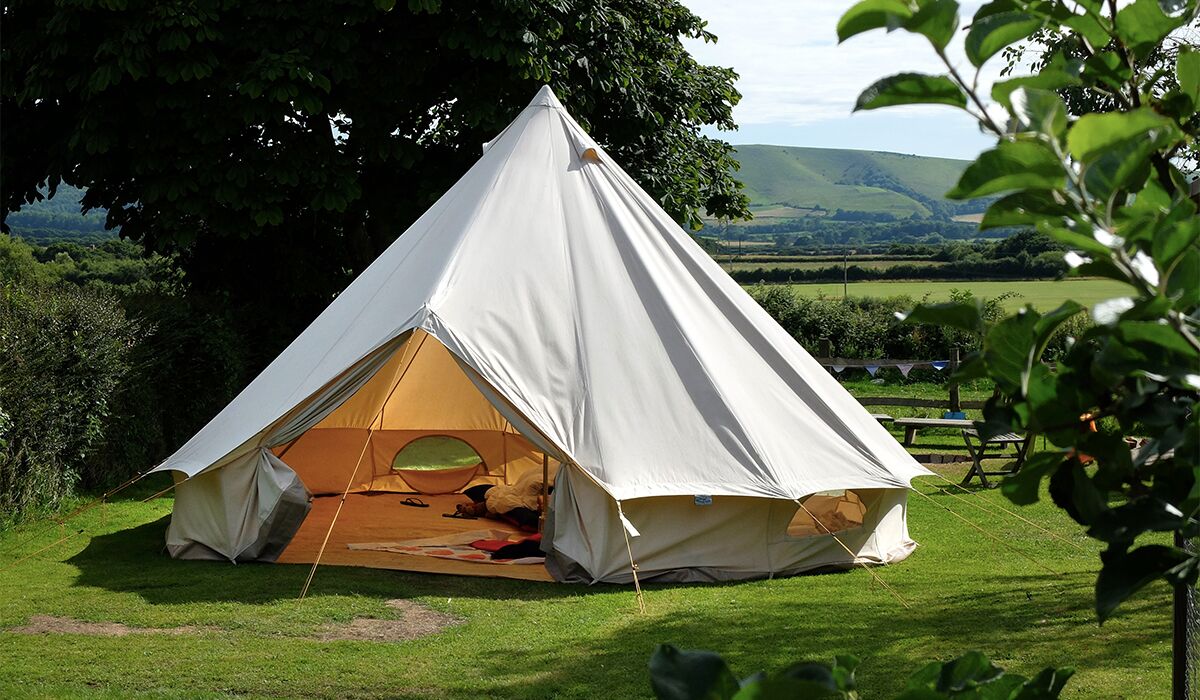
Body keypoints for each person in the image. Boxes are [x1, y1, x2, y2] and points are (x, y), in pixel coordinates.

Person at [456, 469, 548, 531]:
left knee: (501, 499)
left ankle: (476, 510)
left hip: (531, 489)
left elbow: (534, 488)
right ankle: (477, 509)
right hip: (522, 488)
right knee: (500, 496)